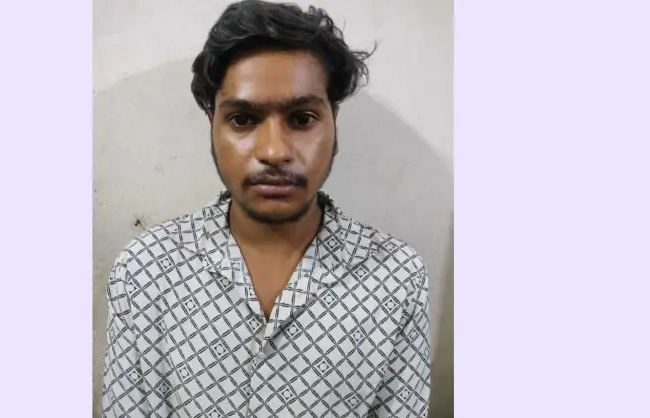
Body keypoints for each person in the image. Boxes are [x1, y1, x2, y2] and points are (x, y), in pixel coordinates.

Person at [101, 1, 431, 416]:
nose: (274, 151)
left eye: (302, 118)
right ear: (211, 122)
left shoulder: (396, 277)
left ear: (333, 120)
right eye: (243, 119)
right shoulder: (147, 269)